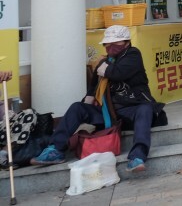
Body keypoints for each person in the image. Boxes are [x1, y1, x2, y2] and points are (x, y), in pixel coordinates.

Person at [31, 25, 166, 172]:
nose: (111, 47)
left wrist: (105, 68)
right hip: (110, 114)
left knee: (145, 109)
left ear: (127, 42)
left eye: (116, 43)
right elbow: (93, 88)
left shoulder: (133, 55)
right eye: (108, 44)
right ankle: (55, 149)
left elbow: (119, 73)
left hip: (132, 110)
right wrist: (88, 99)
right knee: (77, 107)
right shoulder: (104, 62)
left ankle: (137, 156)